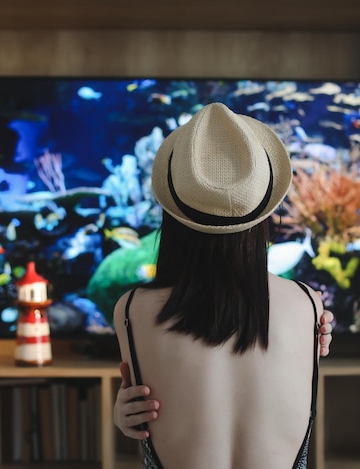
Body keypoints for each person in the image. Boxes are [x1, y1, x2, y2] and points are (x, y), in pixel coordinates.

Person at [112, 102, 334, 468]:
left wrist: (122, 415)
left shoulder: (131, 310)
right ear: (264, 210)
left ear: (173, 215)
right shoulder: (309, 304)